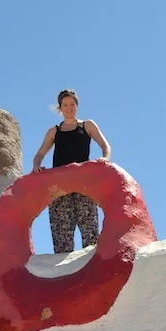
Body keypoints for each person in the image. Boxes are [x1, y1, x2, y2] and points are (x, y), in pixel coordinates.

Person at [32, 88, 111, 254]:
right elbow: (39, 154)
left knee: (90, 233)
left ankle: (92, 270)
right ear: (60, 108)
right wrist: (36, 165)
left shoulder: (87, 125)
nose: (69, 107)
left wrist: (105, 158)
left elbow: (105, 146)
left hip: (85, 185)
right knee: (62, 237)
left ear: (77, 105)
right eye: (65, 104)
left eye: (72, 104)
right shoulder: (54, 131)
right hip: (60, 189)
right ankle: (63, 273)